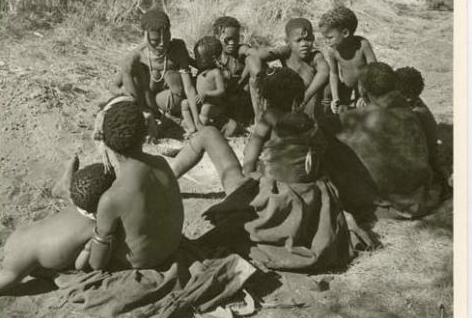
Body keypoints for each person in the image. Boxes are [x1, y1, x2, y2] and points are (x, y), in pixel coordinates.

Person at [172, 68, 372, 272]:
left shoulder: (269, 118)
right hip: (304, 202)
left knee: (208, 134)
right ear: (299, 97)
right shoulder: (310, 123)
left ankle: (168, 176)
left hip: (272, 204)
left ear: (265, 100)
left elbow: (248, 164)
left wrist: (257, 176)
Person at [322, 62, 442, 219]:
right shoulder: (410, 109)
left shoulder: (359, 116)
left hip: (391, 196)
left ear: (362, 89)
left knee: (331, 148)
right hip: (419, 192)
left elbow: (323, 129)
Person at [90, 99, 184, 270]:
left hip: (141, 264)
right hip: (172, 248)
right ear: (144, 134)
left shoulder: (112, 198)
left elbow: (96, 264)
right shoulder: (161, 164)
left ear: (105, 141)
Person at [0, 162, 116, 295]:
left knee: (16, 269)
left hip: (19, 237)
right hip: (30, 257)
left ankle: (64, 186)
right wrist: (87, 249)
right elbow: (79, 265)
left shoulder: (76, 204)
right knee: (9, 276)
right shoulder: (96, 227)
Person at [110, 9, 199, 130]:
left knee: (172, 77)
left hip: (172, 101)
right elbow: (114, 86)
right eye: (155, 40)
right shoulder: (137, 56)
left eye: (166, 37)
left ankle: (169, 117)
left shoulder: (177, 49)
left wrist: (197, 120)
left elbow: (188, 88)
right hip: (146, 103)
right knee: (136, 71)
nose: (162, 44)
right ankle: (150, 116)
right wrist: (126, 95)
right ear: (145, 35)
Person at [394, 66, 450, 192]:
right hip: (427, 154)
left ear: (407, 96)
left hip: (425, 160)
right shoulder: (415, 102)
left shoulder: (417, 113)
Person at [318, 6, 377, 114]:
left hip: (365, 87)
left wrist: (366, 94)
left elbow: (374, 70)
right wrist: (335, 97)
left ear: (345, 33)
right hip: (346, 88)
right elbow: (333, 73)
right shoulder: (333, 51)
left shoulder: (362, 45)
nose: (327, 42)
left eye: (330, 38)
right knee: (341, 111)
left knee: (364, 112)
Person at [181, 36, 226, 135]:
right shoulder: (201, 67)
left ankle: (201, 130)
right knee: (185, 103)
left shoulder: (216, 72)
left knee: (206, 109)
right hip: (201, 102)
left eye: (200, 57)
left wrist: (206, 94)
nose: (196, 60)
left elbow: (221, 91)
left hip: (214, 106)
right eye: (196, 56)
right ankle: (192, 127)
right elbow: (189, 60)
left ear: (213, 58)